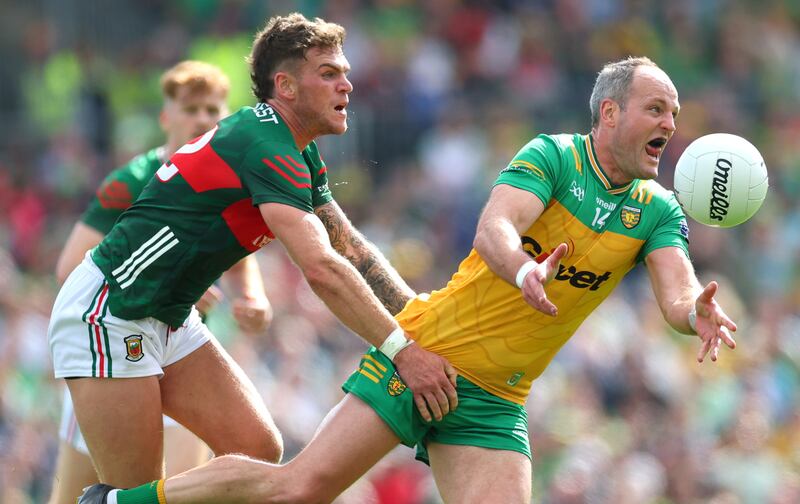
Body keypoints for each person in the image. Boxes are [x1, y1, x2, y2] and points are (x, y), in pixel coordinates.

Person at [79, 55, 740, 504]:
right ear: (609, 115)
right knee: (301, 487)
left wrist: (693, 313)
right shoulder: (552, 156)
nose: (669, 124)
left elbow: (677, 289)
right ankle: (119, 502)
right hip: (427, 350)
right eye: (656, 109)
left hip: (496, 399)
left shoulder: (657, 211)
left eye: (673, 113)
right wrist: (522, 267)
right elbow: (495, 229)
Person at [50, 11, 458, 496]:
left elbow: (349, 246)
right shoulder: (265, 145)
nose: (347, 86)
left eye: (345, 73)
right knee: (140, 488)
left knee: (257, 448)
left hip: (168, 316)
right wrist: (403, 351)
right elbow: (323, 268)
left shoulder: (292, 147)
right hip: (111, 313)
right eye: (329, 74)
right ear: (284, 86)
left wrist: (422, 320)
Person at [48, 60, 277, 504]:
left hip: (177, 351)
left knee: (184, 482)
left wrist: (251, 295)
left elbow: (236, 248)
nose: (203, 119)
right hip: (112, 347)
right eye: (191, 108)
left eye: (213, 109)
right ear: (166, 117)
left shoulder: (225, 172)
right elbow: (68, 268)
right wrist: (166, 283)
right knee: (83, 494)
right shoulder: (131, 180)